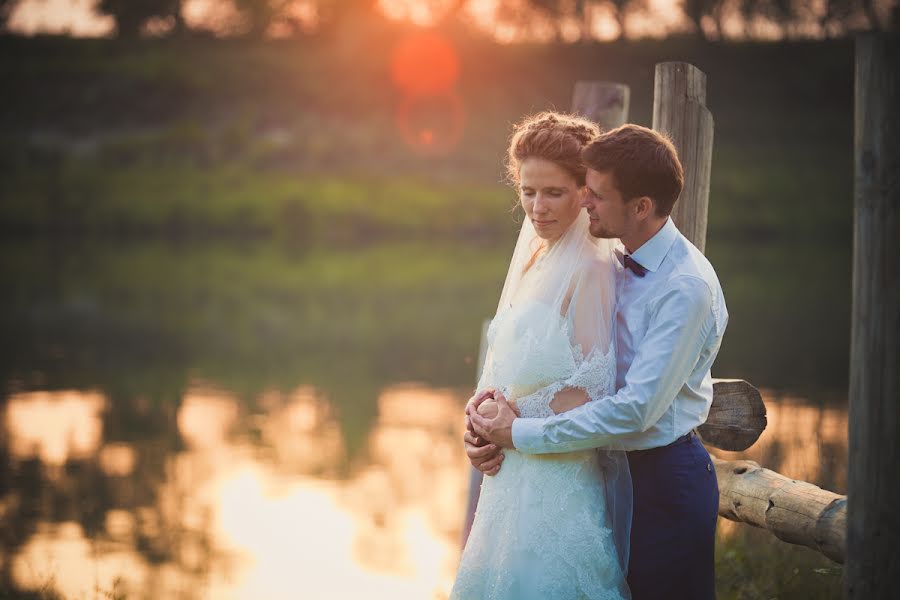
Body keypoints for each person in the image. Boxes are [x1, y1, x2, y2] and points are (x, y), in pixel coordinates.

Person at [468, 124, 728, 600]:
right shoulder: (602, 259)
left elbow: (633, 407)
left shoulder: (683, 287)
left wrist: (516, 432)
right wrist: (480, 425)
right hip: (594, 468)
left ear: (641, 207)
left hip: (661, 478)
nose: (586, 202)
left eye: (596, 195)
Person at [450, 111, 631, 600]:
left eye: (553, 192)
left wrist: (510, 424)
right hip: (510, 483)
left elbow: (595, 388)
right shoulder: (535, 258)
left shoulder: (591, 270)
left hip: (557, 485)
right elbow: (503, 368)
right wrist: (477, 423)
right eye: (528, 191)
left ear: (584, 191)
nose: (537, 207)